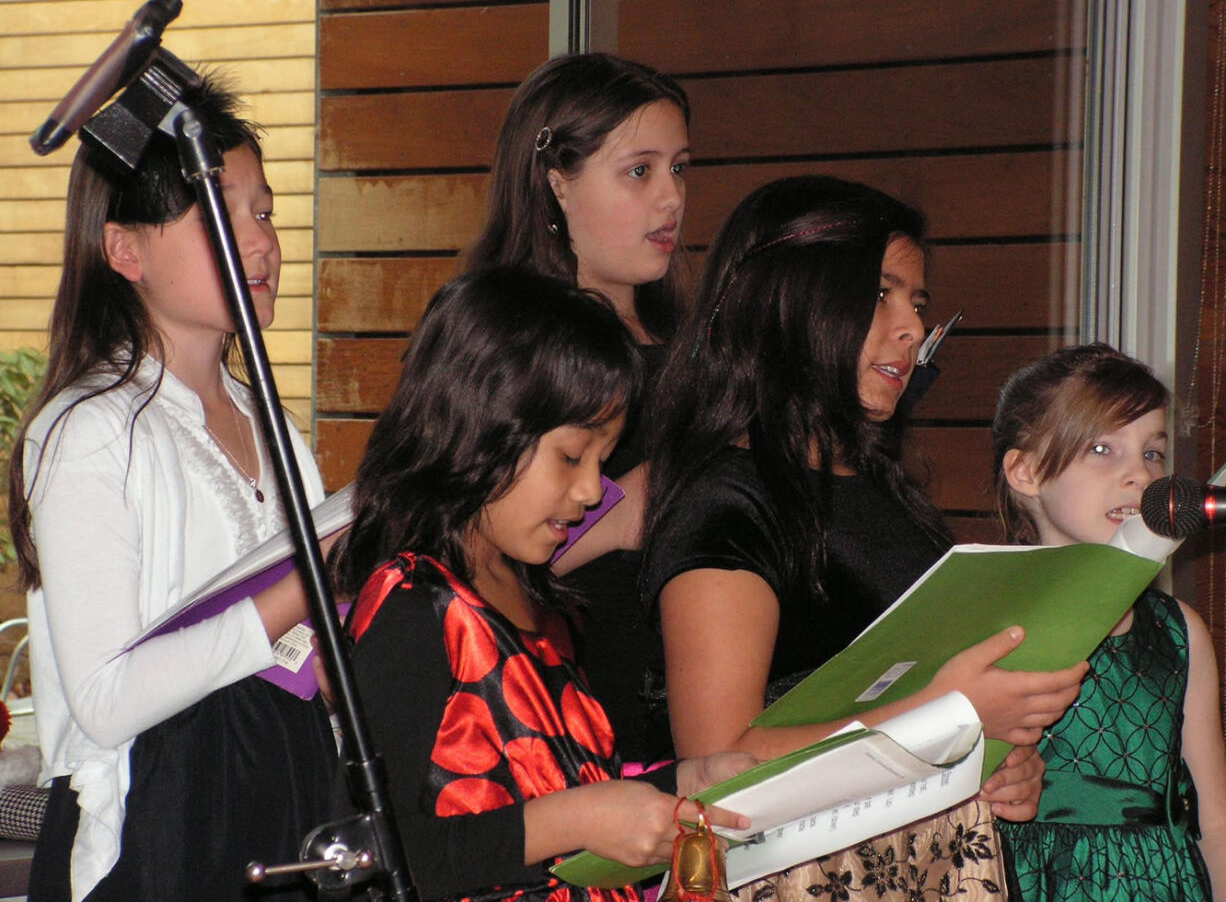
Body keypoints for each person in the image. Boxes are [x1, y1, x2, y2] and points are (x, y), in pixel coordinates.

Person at [639, 175, 1088, 899]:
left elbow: (927, 698)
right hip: (804, 876)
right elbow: (722, 761)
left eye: (917, 303)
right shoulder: (729, 500)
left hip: (932, 862)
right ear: (793, 298)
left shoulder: (883, 490)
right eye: (881, 294)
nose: (911, 329)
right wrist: (946, 715)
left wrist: (999, 761)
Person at [7, 75, 335, 901]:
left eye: (265, 213)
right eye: (223, 216)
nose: (261, 245)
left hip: (287, 795)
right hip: (163, 825)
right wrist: (306, 593)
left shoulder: (276, 429)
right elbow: (108, 701)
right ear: (126, 250)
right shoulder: (90, 431)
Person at [328, 266, 750, 902]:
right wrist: (572, 822)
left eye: (602, 463)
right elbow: (370, 853)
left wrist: (685, 780)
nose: (589, 493)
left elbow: (569, 785)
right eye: (570, 456)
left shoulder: (545, 604)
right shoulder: (415, 604)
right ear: (482, 422)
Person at [465, 52, 691, 766]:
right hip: (566, 702)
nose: (671, 198)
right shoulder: (506, 343)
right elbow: (445, 548)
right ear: (557, 182)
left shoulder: (695, 344)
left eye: (680, 169)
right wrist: (621, 515)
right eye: (639, 171)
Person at [990, 343, 1226, 900]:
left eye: (1152, 453)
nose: (1138, 476)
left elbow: (1215, 818)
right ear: (1025, 471)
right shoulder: (986, 625)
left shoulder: (1179, 631)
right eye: (1102, 448)